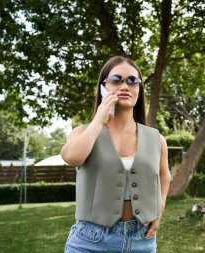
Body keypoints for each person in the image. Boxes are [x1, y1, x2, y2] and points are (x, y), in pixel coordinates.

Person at [61, 56, 171, 253]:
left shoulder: (156, 138)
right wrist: (99, 120)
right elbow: (72, 158)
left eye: (132, 81)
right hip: (90, 241)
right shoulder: (83, 132)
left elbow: (164, 175)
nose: (125, 86)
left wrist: (159, 210)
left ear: (139, 89)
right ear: (103, 87)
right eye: (116, 80)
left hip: (142, 240)